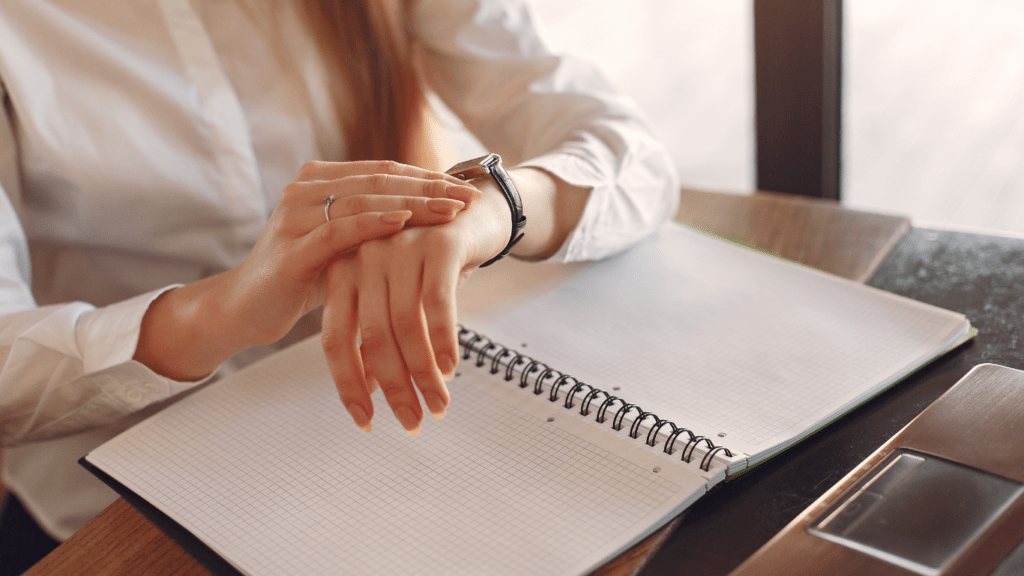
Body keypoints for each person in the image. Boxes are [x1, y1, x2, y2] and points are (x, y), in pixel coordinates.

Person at [0, 0, 679, 572]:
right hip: (116, 516)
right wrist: (225, 311)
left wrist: (489, 210)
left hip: (392, 450)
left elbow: (633, 155)